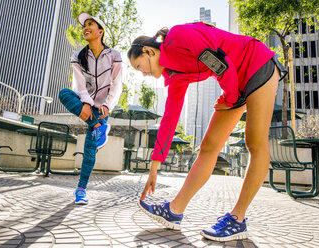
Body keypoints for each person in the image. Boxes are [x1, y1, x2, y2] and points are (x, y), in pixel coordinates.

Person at [127, 22, 287, 241]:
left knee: (255, 142)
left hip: (256, 63)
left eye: (139, 66)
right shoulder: (174, 75)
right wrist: (154, 165)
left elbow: (221, 64)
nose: (142, 74)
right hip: (234, 83)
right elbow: (169, 119)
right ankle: (174, 211)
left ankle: (237, 219)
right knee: (209, 146)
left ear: (148, 51)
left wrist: (230, 98)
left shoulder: (178, 36)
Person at [59, 12, 122, 205]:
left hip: (101, 110)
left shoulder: (114, 56)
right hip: (86, 106)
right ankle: (97, 126)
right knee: (64, 93)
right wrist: (86, 103)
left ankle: (81, 190)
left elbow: (117, 84)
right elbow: (79, 85)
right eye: (84, 25)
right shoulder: (78, 56)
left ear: (100, 31)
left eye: (90, 24)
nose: (85, 27)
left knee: (89, 151)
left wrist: (107, 106)